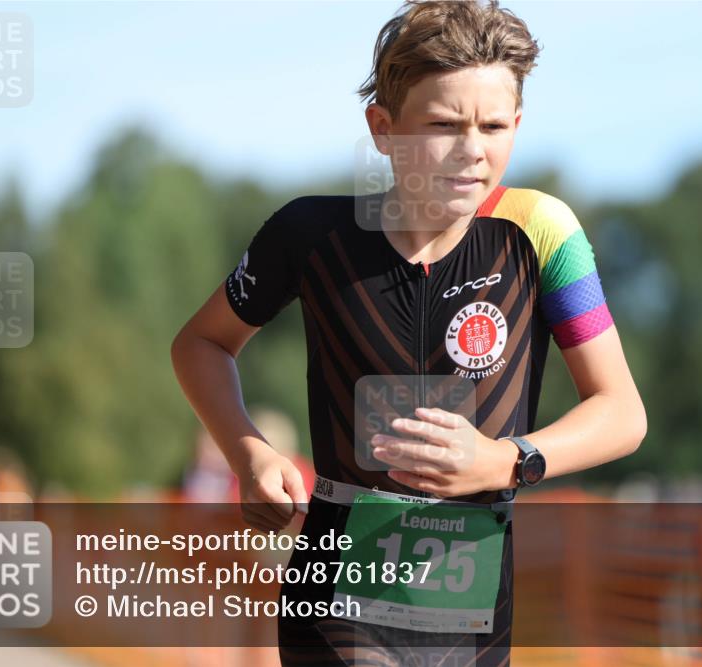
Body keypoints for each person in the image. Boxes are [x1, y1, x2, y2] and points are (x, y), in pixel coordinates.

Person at [171, 1, 647, 664]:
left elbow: (621, 412)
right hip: (334, 600)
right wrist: (247, 453)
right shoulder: (309, 234)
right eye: (444, 125)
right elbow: (200, 343)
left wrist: (504, 460)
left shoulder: (542, 231)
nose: (472, 149)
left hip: (474, 617)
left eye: (493, 125)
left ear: (517, 123)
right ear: (383, 128)